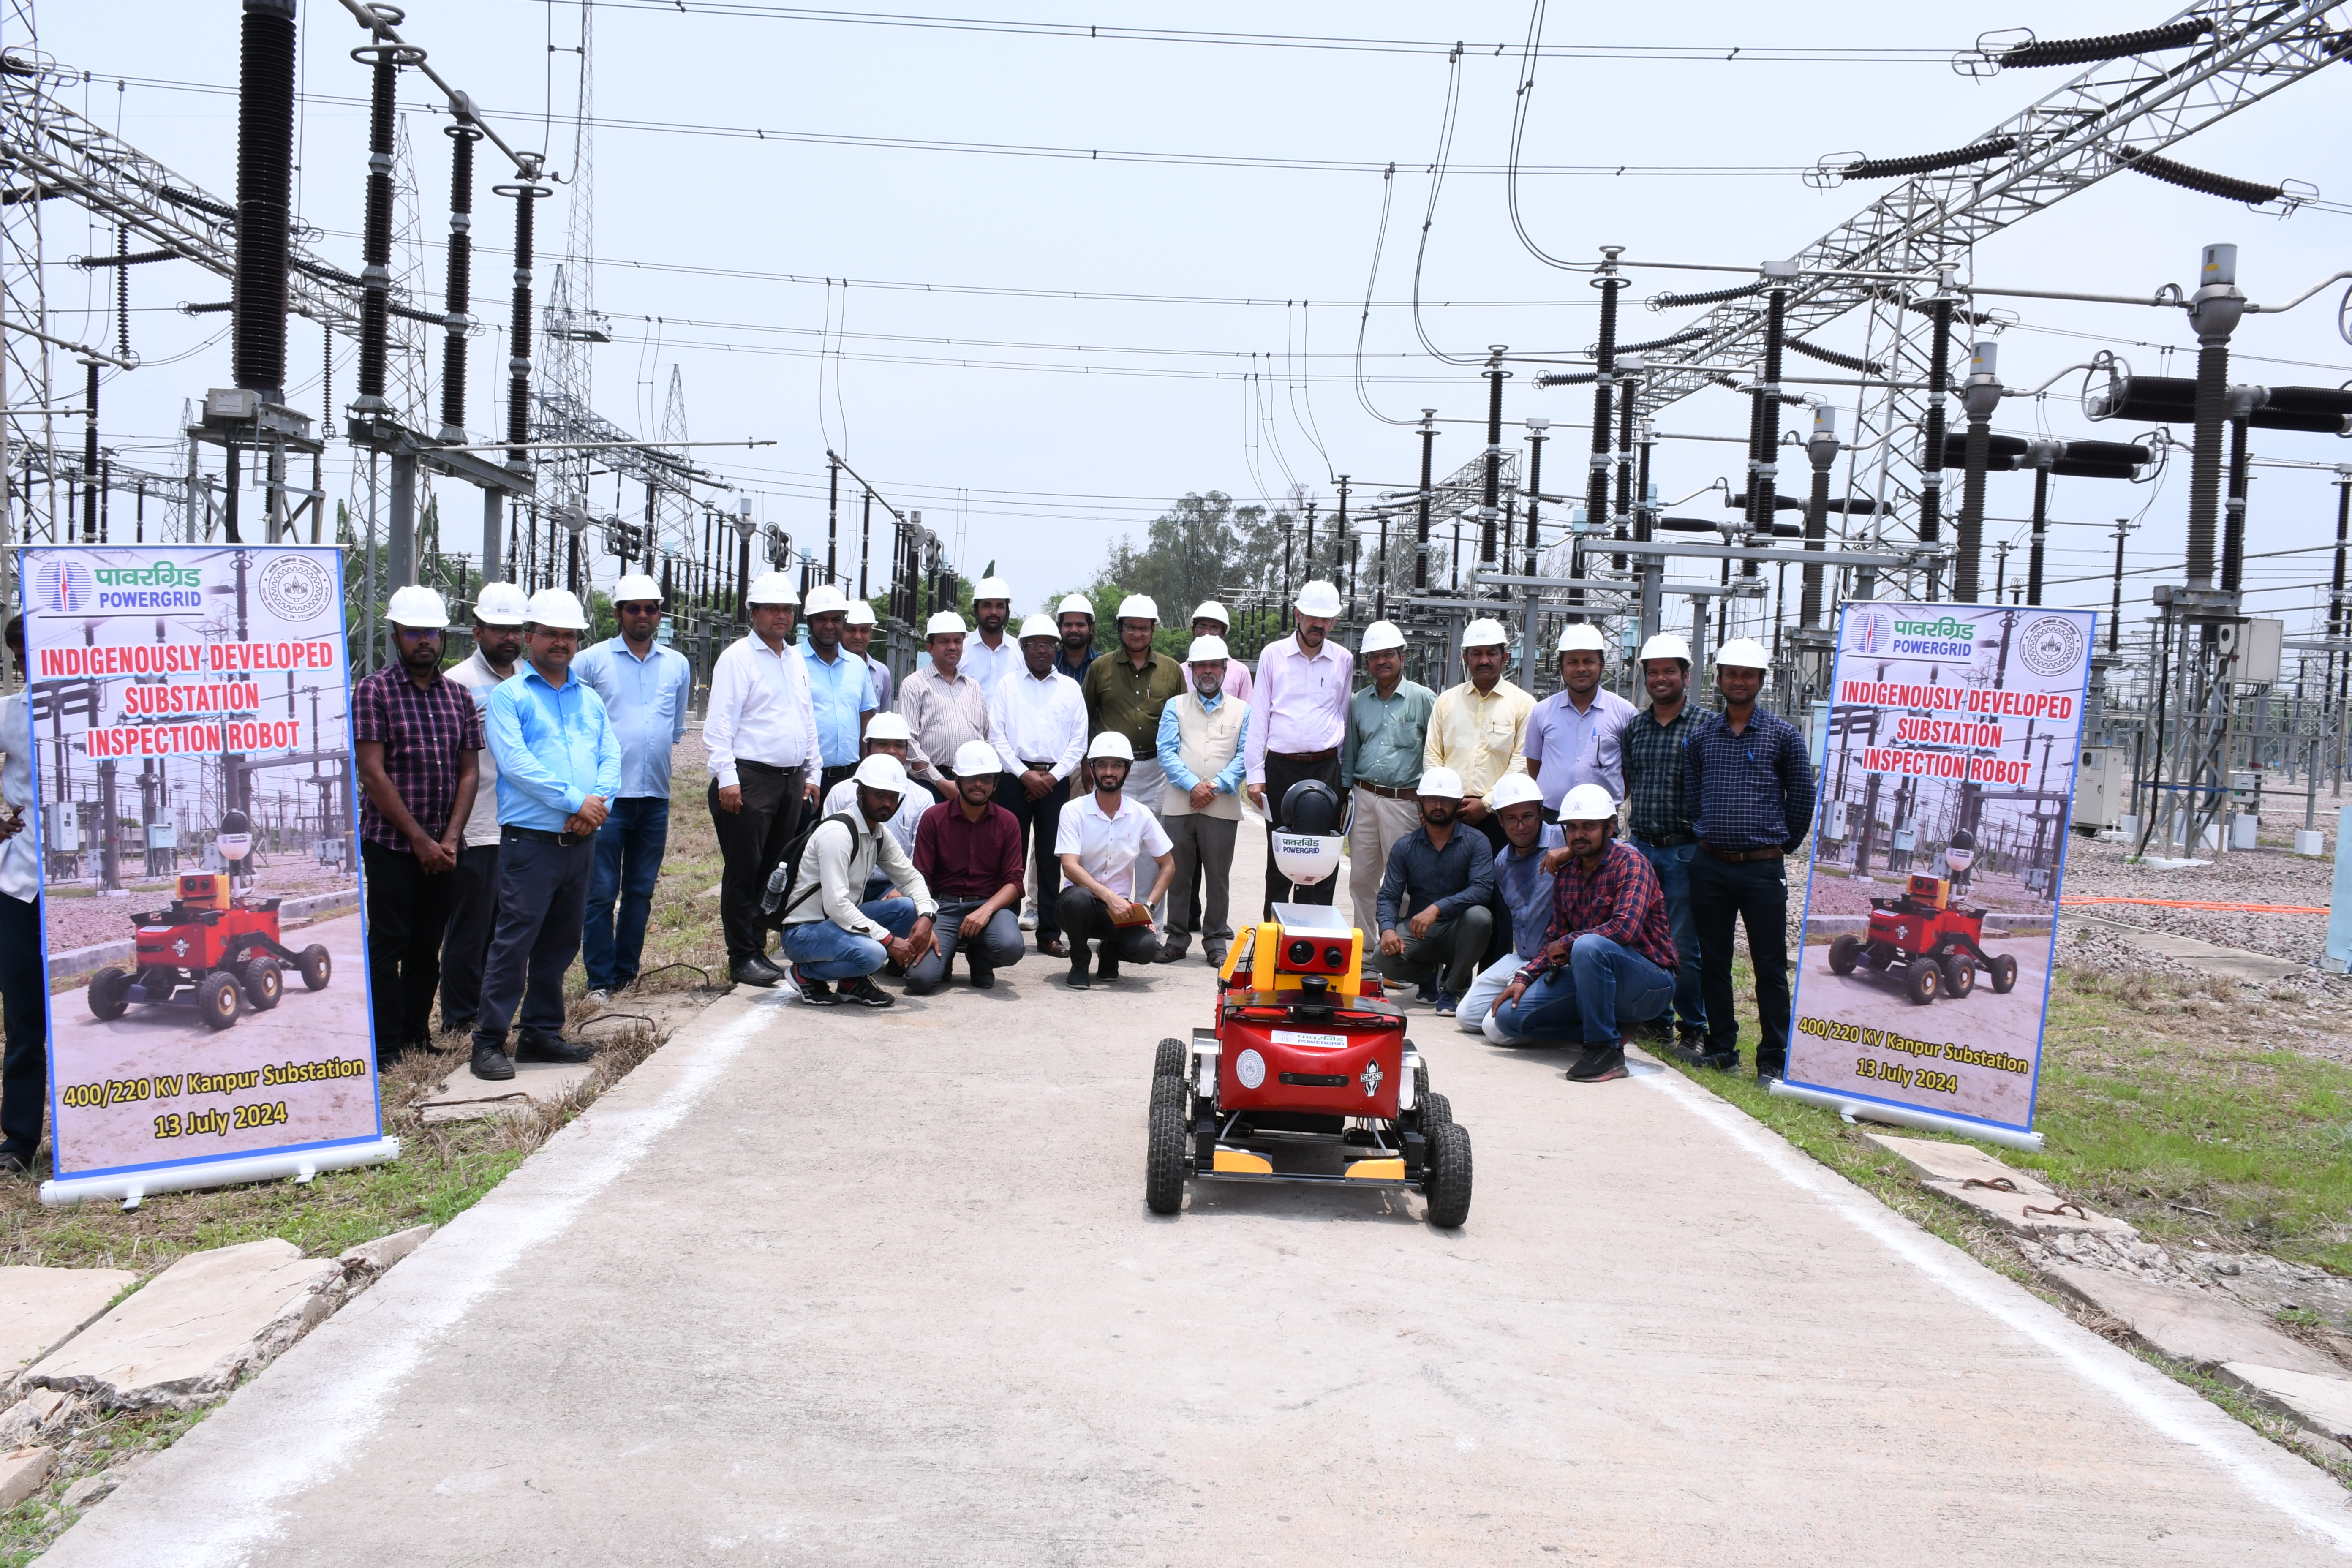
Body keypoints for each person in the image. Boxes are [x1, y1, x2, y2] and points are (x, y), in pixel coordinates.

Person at [472, 588, 619, 1082]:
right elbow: (517, 765)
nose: (561, 642)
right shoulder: (509, 697)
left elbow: (610, 758)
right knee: (513, 944)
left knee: (560, 943)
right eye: (551, 634)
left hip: (581, 843)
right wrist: (576, 802)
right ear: (529, 637)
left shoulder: (591, 699)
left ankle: (540, 1032)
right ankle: (489, 1040)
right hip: (530, 844)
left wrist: (596, 806)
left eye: (569, 634)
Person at [354, 584, 481, 1066]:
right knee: (389, 944)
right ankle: (385, 1045)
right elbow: (373, 772)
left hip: (446, 849)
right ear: (396, 637)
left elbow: (468, 770)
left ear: (443, 636)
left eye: (431, 632)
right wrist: (419, 840)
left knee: (428, 947)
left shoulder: (457, 697)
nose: (423, 641)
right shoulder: (374, 690)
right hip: (392, 845)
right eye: (413, 634)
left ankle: (415, 1037)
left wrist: (448, 839)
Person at [1680, 637, 1814, 1081]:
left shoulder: (1784, 737)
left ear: (1760, 681)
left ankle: (1773, 1059)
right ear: (1718, 680)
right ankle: (1722, 1047)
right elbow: (1693, 797)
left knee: (1770, 966)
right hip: (1711, 865)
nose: (1739, 681)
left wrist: (1779, 846)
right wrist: (1709, 835)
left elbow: (1802, 799)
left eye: (1748, 675)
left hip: (1762, 868)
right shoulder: (1701, 739)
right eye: (1731, 673)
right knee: (1714, 961)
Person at [1491, 783, 1680, 1084]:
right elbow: (1555, 936)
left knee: (1588, 946)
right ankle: (1610, 1028)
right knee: (1509, 1020)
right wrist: (1525, 977)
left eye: (1589, 827)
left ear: (1610, 828)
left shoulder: (1631, 863)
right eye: (1572, 827)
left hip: (1648, 986)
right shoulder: (1566, 875)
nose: (1579, 834)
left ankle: (1605, 1049)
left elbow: (1624, 929)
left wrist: (1567, 943)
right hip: (1596, 980)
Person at [572, 572, 694, 1004]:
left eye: (651, 608)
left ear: (660, 613)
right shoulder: (590, 662)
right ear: (618, 613)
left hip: (655, 798)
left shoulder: (677, 665)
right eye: (634, 608)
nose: (643, 615)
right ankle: (599, 981)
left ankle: (626, 974)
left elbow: (674, 728)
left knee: (640, 891)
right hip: (607, 800)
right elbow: (577, 727)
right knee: (602, 891)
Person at [705, 572, 824, 989]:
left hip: (790, 781)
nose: (780, 616)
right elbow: (719, 724)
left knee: (773, 869)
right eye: (772, 609)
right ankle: (742, 956)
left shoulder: (793, 659)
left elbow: (805, 719)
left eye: (787, 609)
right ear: (753, 612)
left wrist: (813, 772)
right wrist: (727, 778)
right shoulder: (739, 658)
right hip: (750, 778)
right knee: (744, 869)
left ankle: (756, 946)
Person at [438, 582, 530, 1038]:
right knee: (470, 928)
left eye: (515, 629)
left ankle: (494, 1012)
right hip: (477, 824)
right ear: (478, 632)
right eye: (498, 629)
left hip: (523, 823)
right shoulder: (458, 684)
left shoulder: (529, 680)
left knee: (507, 929)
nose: (508, 638)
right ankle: (459, 1017)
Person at [775, 752, 939, 1008]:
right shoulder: (838, 833)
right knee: (874, 953)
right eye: (879, 795)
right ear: (860, 793)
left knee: (908, 908)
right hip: (804, 932)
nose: (887, 803)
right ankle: (803, 975)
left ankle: (852, 982)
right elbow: (837, 905)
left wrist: (928, 916)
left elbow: (910, 878)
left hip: (837, 924)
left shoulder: (878, 833)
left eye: (893, 797)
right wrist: (888, 939)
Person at [1617, 631, 1707, 1051]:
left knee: (1684, 943)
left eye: (1669, 671)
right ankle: (1656, 1018)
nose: (1660, 679)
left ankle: (1693, 1024)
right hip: (1644, 848)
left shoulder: (1706, 726)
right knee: (1643, 937)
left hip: (1686, 849)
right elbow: (1631, 781)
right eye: (1653, 672)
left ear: (1686, 676)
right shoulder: (1636, 728)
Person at [1246, 580, 1354, 915]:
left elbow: (1344, 718)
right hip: (1281, 769)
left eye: (1325, 620)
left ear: (1334, 622)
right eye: (1310, 617)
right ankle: (1276, 942)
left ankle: (1313, 942)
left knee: (1321, 860)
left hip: (1326, 770)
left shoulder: (1344, 660)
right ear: (1297, 615)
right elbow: (1260, 715)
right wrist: (1255, 774)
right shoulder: (1273, 655)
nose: (1317, 625)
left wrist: (1342, 778)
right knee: (1280, 859)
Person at [988, 613, 1087, 957]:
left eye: (1048, 645)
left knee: (1050, 858)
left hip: (1055, 780)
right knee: (1009, 856)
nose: (1042, 651)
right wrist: (1023, 774)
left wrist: (1052, 777)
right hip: (1015, 780)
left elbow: (1079, 741)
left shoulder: (1070, 689)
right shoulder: (1008, 686)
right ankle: (1004, 924)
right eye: (1035, 645)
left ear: (1056, 648)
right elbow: (997, 736)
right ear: (1024, 647)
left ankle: (1048, 931)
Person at [1080, 593, 1185, 916]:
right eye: (1130, 628)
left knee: (1152, 848)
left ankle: (1149, 921)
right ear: (1120, 629)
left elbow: (1183, 721)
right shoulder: (1100, 668)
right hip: (1111, 770)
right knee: (1108, 847)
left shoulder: (1172, 670)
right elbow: (1085, 718)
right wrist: (1087, 765)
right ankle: (1106, 919)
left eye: (1143, 628)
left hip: (1157, 769)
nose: (1137, 634)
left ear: (1154, 629)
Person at [1154, 634, 1250, 967]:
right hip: (1180, 805)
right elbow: (1166, 752)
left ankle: (1214, 942)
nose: (1207, 672)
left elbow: (1244, 757)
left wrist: (1216, 786)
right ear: (1191, 670)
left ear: (1225, 668)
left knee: (1218, 878)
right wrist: (1194, 786)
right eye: (1201, 666)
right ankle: (1177, 938)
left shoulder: (1242, 710)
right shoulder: (1175, 706)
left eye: (1214, 665)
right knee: (1178, 875)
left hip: (1221, 808)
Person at [1054, 733, 1174, 989]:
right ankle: (1080, 962)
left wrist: (1149, 909)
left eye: (1117, 765)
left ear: (1128, 771)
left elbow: (1169, 864)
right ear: (1092, 769)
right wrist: (1109, 897)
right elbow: (1070, 866)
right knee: (1078, 899)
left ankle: (1109, 951)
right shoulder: (1073, 810)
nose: (1109, 772)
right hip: (1077, 905)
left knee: (1147, 949)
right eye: (1102, 765)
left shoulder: (1140, 814)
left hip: (1120, 912)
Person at [1373, 767, 1496, 1015]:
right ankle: (1428, 975)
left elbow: (1482, 890)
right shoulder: (1405, 847)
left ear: (1458, 804)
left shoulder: (1477, 842)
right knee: (1382, 958)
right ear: (1421, 803)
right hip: (1421, 932)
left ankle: (1452, 989)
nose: (1438, 806)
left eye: (1446, 801)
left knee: (1481, 917)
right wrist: (1387, 930)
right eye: (1431, 800)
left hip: (1459, 930)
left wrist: (1439, 907)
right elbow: (1389, 896)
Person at [1341, 619, 1434, 945]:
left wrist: (1429, 803)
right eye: (1374, 656)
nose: (1381, 661)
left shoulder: (1423, 700)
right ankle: (1366, 953)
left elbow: (1434, 754)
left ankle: (1399, 953)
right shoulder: (1358, 703)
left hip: (1405, 802)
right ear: (1367, 663)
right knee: (1363, 879)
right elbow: (1351, 754)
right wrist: (1345, 795)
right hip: (1365, 797)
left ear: (1402, 658)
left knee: (1405, 883)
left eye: (1388, 655)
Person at [908, 740, 1027, 993]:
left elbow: (1015, 882)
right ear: (958, 779)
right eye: (971, 777)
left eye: (986, 778)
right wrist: (926, 920)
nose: (978, 784)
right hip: (943, 907)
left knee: (1011, 947)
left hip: (989, 907)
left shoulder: (1008, 822)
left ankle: (981, 959)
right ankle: (946, 955)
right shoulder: (934, 818)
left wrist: (987, 910)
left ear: (996, 783)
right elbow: (922, 877)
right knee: (920, 981)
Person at [1456, 773, 1562, 1036]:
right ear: (1500, 821)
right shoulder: (1502, 862)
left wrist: (1570, 853)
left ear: (1540, 813)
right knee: (1467, 1018)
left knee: (1497, 1029)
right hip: (1522, 957)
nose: (1521, 826)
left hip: (1557, 959)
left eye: (1528, 816)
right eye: (1512, 819)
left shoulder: (1563, 838)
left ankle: (1572, 1025)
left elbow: (1611, 847)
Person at [1426, 617, 1534, 855]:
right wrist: (1445, 801)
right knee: (1448, 883)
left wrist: (1487, 805)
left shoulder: (1523, 704)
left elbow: (1522, 763)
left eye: (1491, 653)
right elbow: (1433, 755)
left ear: (1504, 658)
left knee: (1497, 884)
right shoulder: (1446, 701)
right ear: (1465, 658)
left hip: (1501, 815)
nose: (1484, 660)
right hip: (1451, 812)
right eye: (1476, 654)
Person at [0, 617, 45, 1174]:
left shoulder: (105, 707)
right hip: (21, 886)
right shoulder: (9, 713)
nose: (30, 663)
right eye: (20, 655)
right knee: (25, 1016)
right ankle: (19, 1141)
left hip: (77, 886)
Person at [1523, 622, 1636, 812]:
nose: (1581, 668)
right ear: (1561, 669)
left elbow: (1630, 772)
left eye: (1589, 661)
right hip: (1552, 818)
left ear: (1602, 666)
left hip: (1603, 821)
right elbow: (1535, 766)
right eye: (1573, 662)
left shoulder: (1625, 713)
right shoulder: (1542, 712)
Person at [824, 713, 928, 897]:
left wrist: (903, 889)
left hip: (892, 887)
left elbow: (920, 856)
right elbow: (826, 851)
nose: (891, 751)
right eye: (882, 744)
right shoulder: (841, 792)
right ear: (868, 748)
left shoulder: (921, 798)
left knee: (907, 907)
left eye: (899, 745)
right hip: (845, 884)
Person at [898, 610, 993, 803]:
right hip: (929, 785)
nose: (953, 647)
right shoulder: (914, 685)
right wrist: (940, 781)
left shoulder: (973, 687)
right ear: (930, 647)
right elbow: (909, 742)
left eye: (957, 642)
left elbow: (985, 735)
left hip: (970, 782)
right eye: (945, 642)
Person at [799, 584, 878, 800]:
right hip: (804, 778)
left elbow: (866, 720)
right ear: (809, 622)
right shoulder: (791, 661)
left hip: (849, 778)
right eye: (821, 619)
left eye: (836, 619)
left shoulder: (857, 666)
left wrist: (866, 768)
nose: (829, 626)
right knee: (802, 834)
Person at [960, 574, 1021, 696]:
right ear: (977, 610)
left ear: (1007, 610)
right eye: (987, 605)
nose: (994, 612)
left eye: (1000, 606)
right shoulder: (961, 650)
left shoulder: (1020, 651)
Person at [1186, 601, 1254, 704]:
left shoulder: (1240, 672)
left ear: (1223, 635)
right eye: (1202, 627)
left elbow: (1248, 711)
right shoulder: (1180, 671)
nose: (1207, 632)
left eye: (1214, 628)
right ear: (1193, 630)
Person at [842, 598, 893, 714]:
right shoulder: (830, 668)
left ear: (871, 633)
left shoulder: (882, 672)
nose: (858, 636)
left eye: (864, 631)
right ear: (841, 631)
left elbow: (884, 718)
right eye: (851, 630)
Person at [1052, 592, 1098, 683]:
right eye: (1068, 625)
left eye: (1080, 625)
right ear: (1060, 628)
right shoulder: (1050, 665)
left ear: (1091, 628)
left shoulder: (1103, 666)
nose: (1074, 630)